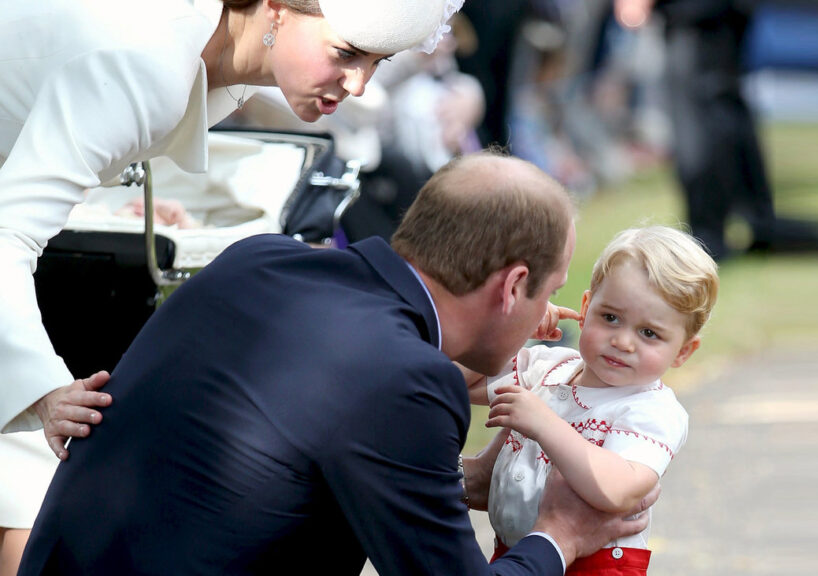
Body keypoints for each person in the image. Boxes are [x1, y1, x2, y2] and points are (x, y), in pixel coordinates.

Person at [18, 151, 655, 575]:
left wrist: (453, 482)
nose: (553, 311)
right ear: (513, 287)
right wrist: (561, 536)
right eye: (550, 289)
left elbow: (288, 456)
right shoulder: (409, 377)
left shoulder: (257, 260)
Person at [0, 0, 464, 573]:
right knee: (30, 486)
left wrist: (109, 197)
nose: (360, 84)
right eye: (346, 54)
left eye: (377, 62)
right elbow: (7, 234)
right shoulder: (153, 66)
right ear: (274, 11)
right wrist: (43, 392)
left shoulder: (216, 58)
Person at [464, 225, 719, 574]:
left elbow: (617, 490)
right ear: (585, 308)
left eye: (649, 333)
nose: (623, 342)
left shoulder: (652, 410)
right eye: (610, 317)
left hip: (594, 566)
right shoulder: (549, 368)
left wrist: (544, 424)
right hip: (517, 558)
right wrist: (516, 329)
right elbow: (455, 379)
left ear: (683, 351)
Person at [614, 0, 818, 260]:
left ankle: (708, 235)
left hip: (695, 13)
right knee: (723, 101)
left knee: (697, 111)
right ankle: (758, 221)